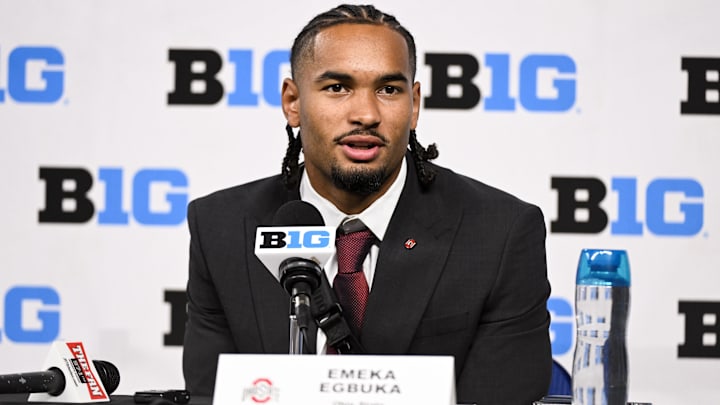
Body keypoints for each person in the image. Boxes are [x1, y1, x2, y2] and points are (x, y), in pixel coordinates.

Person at [182, 4, 552, 403]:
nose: (366, 114)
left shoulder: (500, 234)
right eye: (337, 87)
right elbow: (210, 393)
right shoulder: (221, 227)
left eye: (388, 90)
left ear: (414, 105)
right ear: (292, 101)